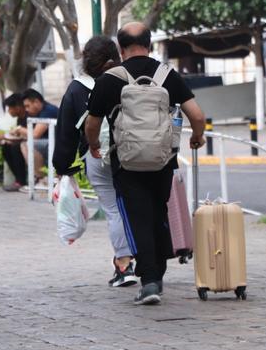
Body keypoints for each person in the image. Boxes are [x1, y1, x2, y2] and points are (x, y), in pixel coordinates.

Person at [85, 22, 206, 306]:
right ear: (149, 45)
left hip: (126, 163)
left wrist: (94, 146)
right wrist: (197, 138)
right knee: (158, 213)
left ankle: (150, 281)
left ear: (121, 48)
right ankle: (157, 274)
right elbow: (197, 115)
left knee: (138, 217)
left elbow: (92, 124)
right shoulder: (167, 75)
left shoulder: (110, 79)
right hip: (163, 160)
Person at [52, 36, 137, 288]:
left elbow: (66, 133)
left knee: (113, 210)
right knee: (136, 207)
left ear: (86, 61)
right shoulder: (129, 80)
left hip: (98, 155)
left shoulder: (77, 89)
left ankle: (124, 264)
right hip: (135, 153)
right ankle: (149, 261)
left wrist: (64, 168)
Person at [0, 93, 28, 191]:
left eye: (10, 108)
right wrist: (4, 140)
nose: (9, 111)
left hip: (33, 143)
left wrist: (4, 137)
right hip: (24, 143)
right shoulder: (20, 119)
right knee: (6, 148)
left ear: (18, 107)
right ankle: (19, 180)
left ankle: (22, 181)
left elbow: (25, 136)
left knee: (15, 148)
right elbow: (18, 136)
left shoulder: (28, 116)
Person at [18, 89, 59, 181]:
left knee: (28, 144)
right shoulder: (40, 111)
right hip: (51, 142)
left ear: (36, 102)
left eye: (27, 106)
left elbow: (35, 135)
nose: (26, 110)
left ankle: (41, 178)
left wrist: (20, 129)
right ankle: (38, 177)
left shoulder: (48, 110)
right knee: (21, 144)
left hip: (58, 143)